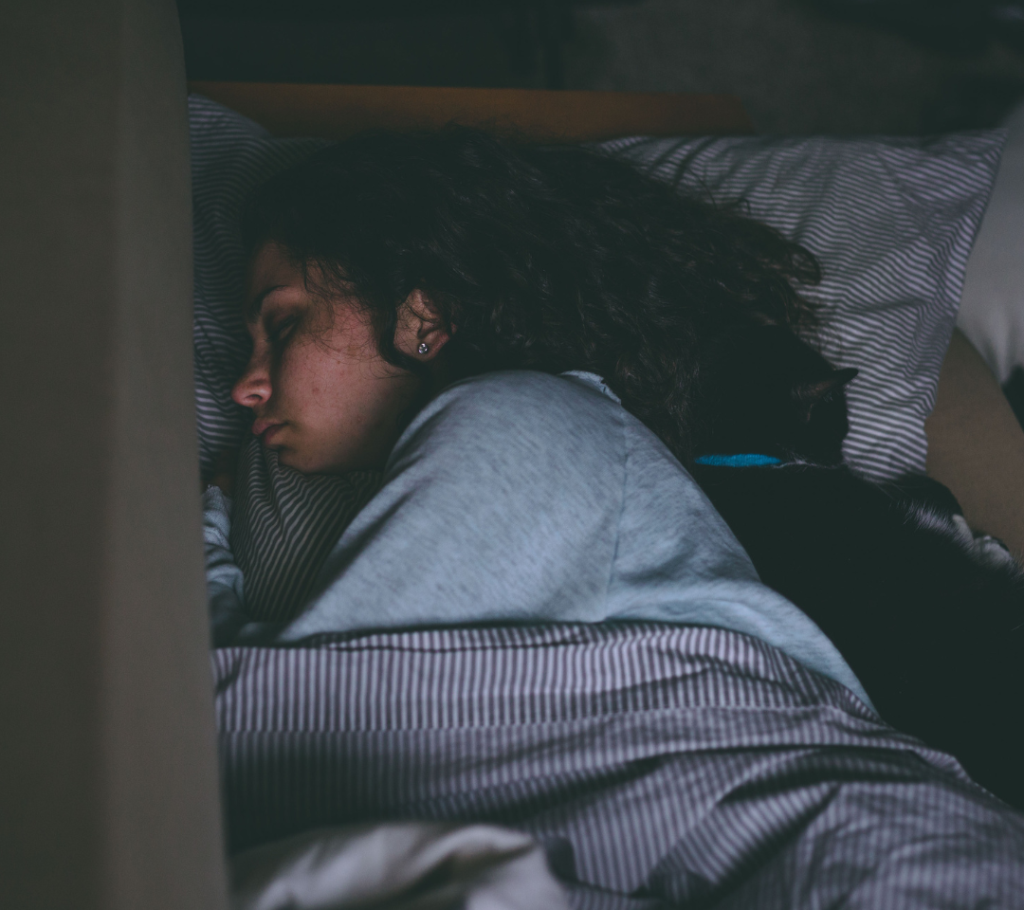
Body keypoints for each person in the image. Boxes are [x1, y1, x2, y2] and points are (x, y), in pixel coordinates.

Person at [203, 125, 877, 705]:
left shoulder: (528, 420)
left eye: (284, 326)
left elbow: (276, 712)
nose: (244, 387)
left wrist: (203, 542)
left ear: (422, 317)